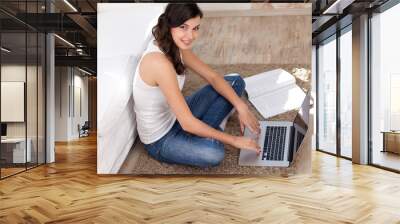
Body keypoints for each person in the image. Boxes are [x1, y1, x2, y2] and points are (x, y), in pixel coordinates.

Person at [133, 3, 261, 168]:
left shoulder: (176, 44)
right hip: (161, 140)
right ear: (169, 25)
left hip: (177, 115)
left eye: (195, 28)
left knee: (235, 81)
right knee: (214, 153)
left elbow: (213, 77)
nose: (190, 35)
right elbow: (187, 122)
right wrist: (234, 140)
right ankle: (207, 134)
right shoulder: (158, 62)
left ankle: (204, 133)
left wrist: (241, 106)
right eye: (183, 27)